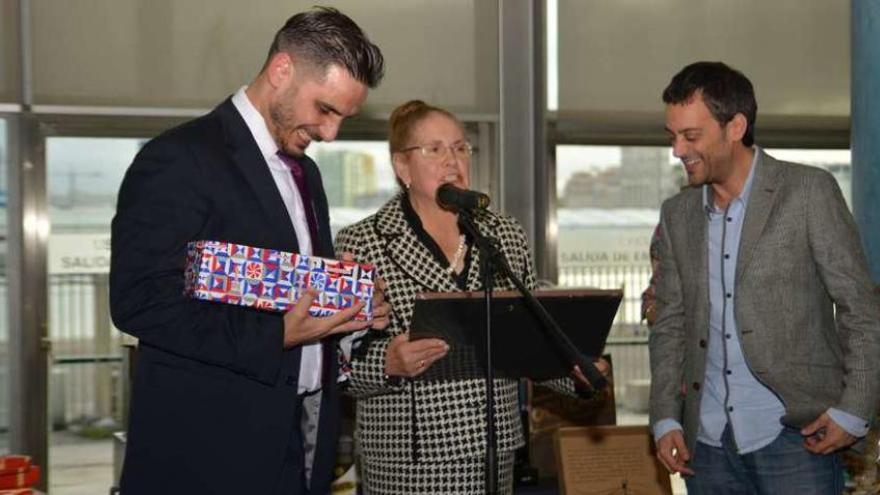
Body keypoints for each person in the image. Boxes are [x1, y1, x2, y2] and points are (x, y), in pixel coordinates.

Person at [110, 8, 390, 494]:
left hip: (298, 445)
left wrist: (345, 306)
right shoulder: (177, 158)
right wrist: (275, 334)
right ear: (281, 70)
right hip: (205, 454)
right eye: (325, 110)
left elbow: (290, 291)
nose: (331, 134)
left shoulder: (308, 174)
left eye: (343, 118)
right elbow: (139, 301)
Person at [335, 100, 606, 495]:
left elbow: (531, 341)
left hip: (494, 456)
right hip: (407, 464)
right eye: (435, 149)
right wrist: (387, 363)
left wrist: (576, 372)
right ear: (402, 166)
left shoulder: (504, 234)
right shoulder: (363, 241)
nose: (453, 160)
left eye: (461, 148)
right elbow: (335, 362)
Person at [649, 61, 880, 494]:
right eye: (673, 136)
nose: (677, 150)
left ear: (735, 126)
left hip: (799, 439)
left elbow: (860, 308)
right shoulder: (677, 215)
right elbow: (670, 324)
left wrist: (853, 410)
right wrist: (665, 418)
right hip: (707, 445)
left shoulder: (809, 191)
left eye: (691, 136)